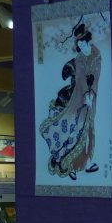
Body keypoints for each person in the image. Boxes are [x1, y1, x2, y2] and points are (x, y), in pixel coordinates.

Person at [39, 21, 101, 180]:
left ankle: (86, 163)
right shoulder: (79, 59)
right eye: (79, 43)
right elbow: (80, 80)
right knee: (74, 130)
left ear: (88, 41)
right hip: (78, 98)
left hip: (90, 99)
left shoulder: (96, 55)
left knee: (88, 131)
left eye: (83, 42)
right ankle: (69, 163)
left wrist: (91, 94)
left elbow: (95, 78)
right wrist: (84, 95)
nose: (81, 46)